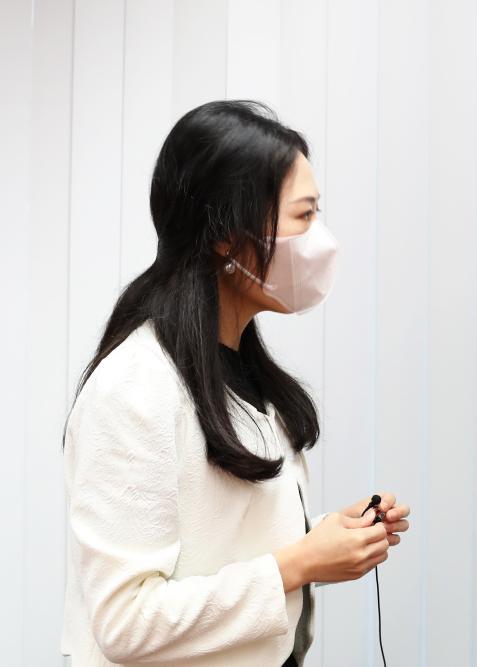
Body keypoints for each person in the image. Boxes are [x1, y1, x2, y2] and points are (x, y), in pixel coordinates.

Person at [60, 100, 410, 666]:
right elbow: (124, 621)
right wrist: (301, 562)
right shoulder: (135, 388)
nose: (321, 240)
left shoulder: (241, 371)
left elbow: (223, 547)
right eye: (303, 216)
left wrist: (329, 538)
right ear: (226, 235)